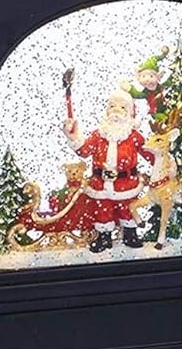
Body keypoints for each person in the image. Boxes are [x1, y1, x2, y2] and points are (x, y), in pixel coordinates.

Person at [63, 90, 154, 253]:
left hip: (126, 184)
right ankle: (104, 237)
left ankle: (130, 234)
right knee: (102, 210)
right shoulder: (98, 135)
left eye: (122, 107)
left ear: (130, 114)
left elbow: (150, 153)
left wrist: (163, 162)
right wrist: (73, 137)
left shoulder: (134, 136)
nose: (116, 110)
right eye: (112, 106)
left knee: (127, 209)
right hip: (101, 184)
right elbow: (84, 150)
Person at [120, 46, 169, 121]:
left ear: (158, 77)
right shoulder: (147, 93)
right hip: (156, 112)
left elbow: (168, 83)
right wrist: (130, 89)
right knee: (165, 119)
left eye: (151, 76)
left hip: (166, 107)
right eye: (143, 76)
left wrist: (175, 76)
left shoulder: (159, 87)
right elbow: (137, 95)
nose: (147, 80)